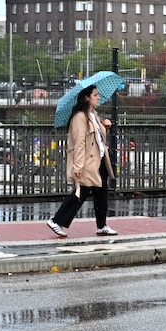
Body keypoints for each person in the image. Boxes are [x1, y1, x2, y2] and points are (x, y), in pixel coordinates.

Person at [46, 85, 117, 237]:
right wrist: (78, 166)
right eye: (95, 95)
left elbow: (97, 138)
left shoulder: (94, 114)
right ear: (87, 97)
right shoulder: (79, 117)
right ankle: (56, 221)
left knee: (101, 194)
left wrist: (106, 127)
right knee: (81, 193)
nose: (98, 97)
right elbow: (79, 143)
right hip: (88, 163)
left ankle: (101, 225)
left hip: (100, 160)